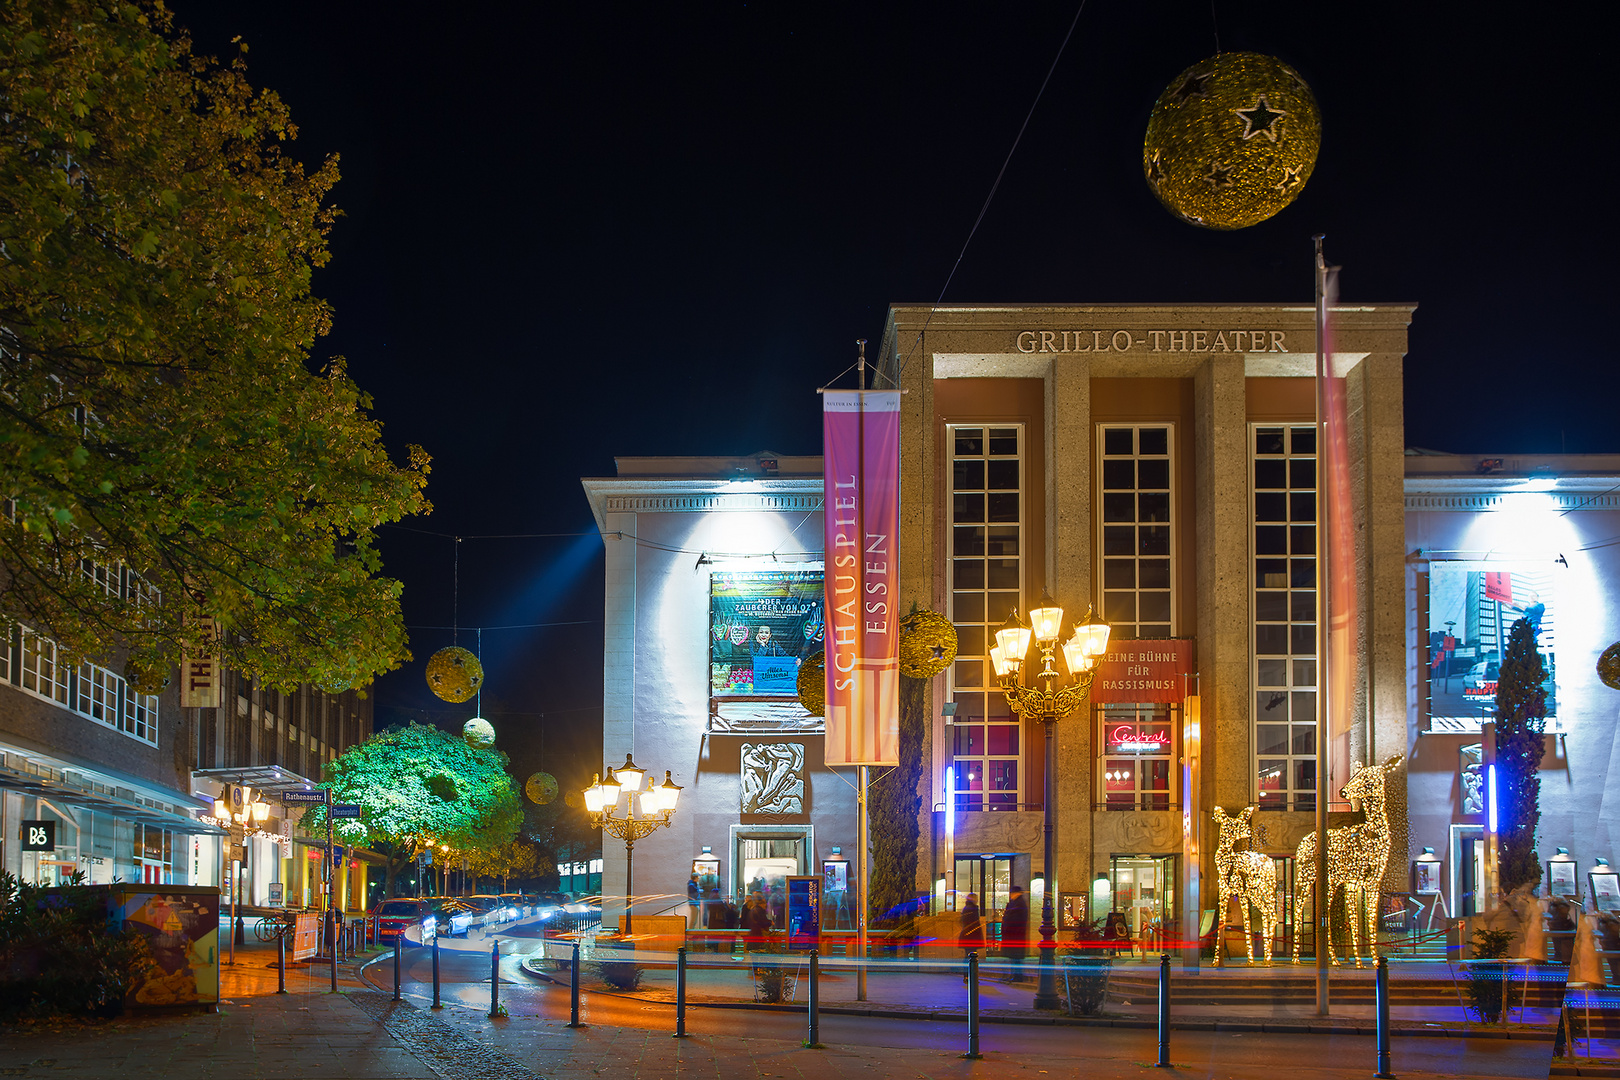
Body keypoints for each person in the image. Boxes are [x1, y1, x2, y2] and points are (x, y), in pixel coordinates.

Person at [1000, 884, 1029, 984]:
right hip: (1014, 936)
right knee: (1015, 958)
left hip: (1015, 936)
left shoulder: (1019, 904)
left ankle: (1017, 976)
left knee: (1016, 958)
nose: (1010, 895)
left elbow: (1013, 920)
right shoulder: (1016, 903)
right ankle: (1015, 975)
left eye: (1012, 893)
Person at [959, 893, 985, 981]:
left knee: (968, 956)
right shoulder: (973, 908)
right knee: (971, 957)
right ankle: (971, 976)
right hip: (972, 937)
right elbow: (974, 924)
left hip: (967, 936)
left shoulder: (966, 908)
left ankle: (967, 976)